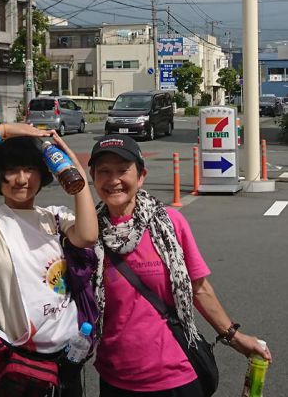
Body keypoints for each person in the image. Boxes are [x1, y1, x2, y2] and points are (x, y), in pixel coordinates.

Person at [88, 134, 272, 397]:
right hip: (115, 376)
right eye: (104, 171)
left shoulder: (169, 224)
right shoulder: (87, 233)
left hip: (175, 374)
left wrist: (235, 337)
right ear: (93, 177)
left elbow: (199, 289)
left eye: (123, 170)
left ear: (141, 176)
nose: (114, 179)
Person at [0, 122, 98, 397]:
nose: (22, 179)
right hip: (9, 366)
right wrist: (4, 131)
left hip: (63, 363)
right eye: (11, 170)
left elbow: (87, 235)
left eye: (30, 168)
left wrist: (73, 170)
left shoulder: (56, 218)